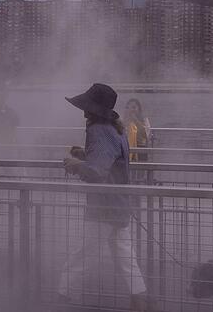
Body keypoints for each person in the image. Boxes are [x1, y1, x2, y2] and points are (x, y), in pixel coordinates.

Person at [57, 83, 148, 310]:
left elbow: (98, 172)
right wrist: (86, 155)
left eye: (87, 108)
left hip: (103, 207)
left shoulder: (97, 130)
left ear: (94, 110)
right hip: (119, 206)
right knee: (127, 260)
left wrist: (76, 164)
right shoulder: (116, 130)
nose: (84, 112)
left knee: (82, 256)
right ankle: (143, 303)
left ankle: (62, 299)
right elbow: (108, 160)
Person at [123, 98, 151, 182]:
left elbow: (146, 134)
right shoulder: (123, 121)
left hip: (140, 149)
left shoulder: (144, 120)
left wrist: (136, 120)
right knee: (128, 174)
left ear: (139, 108)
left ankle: (138, 192)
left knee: (140, 175)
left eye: (134, 107)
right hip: (127, 149)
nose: (132, 110)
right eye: (129, 107)